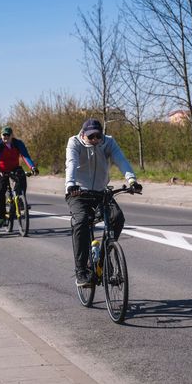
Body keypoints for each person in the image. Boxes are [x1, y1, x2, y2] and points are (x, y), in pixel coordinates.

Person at [65, 118, 142, 287]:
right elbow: (71, 163)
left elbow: (121, 160)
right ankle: (81, 271)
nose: (95, 140)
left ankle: (105, 255)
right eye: (91, 137)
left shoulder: (108, 142)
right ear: (83, 134)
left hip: (100, 192)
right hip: (78, 192)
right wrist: (71, 184)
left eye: (98, 136)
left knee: (117, 217)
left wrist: (132, 180)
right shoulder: (74, 142)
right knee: (82, 221)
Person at [0, 126, 39, 229]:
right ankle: (1, 217)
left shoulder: (17, 143)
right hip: (1, 169)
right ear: (1, 135)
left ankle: (21, 199)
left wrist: (32, 167)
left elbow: (25, 156)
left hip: (14, 168)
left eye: (8, 135)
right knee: (1, 191)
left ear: (12, 135)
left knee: (22, 177)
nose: (6, 137)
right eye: (4, 135)